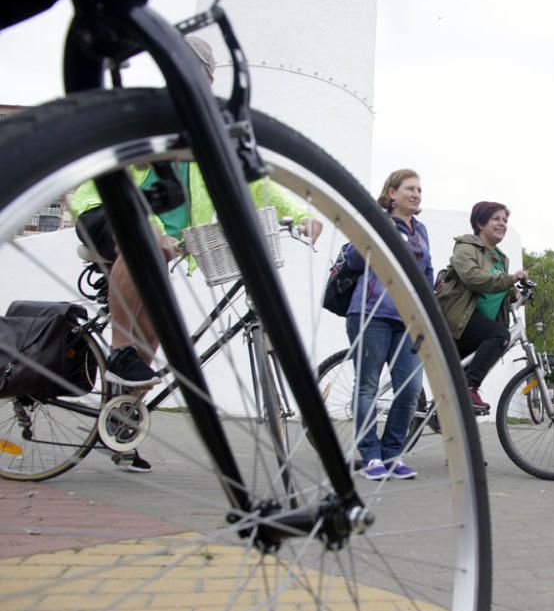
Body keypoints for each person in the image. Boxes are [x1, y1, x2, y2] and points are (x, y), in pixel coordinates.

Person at [71, 37, 323, 472]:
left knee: (150, 339)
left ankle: (122, 427)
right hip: (108, 208)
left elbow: (251, 180)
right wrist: (145, 224)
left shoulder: (208, 129)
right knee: (140, 250)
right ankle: (118, 352)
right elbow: (116, 170)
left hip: (169, 238)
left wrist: (299, 215)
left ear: (207, 76)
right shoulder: (149, 114)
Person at [342, 169, 431, 481]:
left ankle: (393, 453)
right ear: (391, 193)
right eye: (410, 188)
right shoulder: (375, 220)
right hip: (370, 314)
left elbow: (426, 274)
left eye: (419, 189)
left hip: (408, 320)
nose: (417, 194)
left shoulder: (420, 230)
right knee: (367, 387)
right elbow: (353, 258)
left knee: (410, 388)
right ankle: (370, 455)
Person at [435, 201, 528, 411]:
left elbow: (499, 287)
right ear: (480, 222)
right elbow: (474, 278)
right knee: (501, 335)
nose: (502, 224)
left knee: (453, 391)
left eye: (505, 220)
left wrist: (517, 293)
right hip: (458, 320)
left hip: (477, 327)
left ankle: (441, 413)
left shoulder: (501, 259)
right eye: (496, 219)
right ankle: (470, 387)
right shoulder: (466, 247)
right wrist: (511, 278)